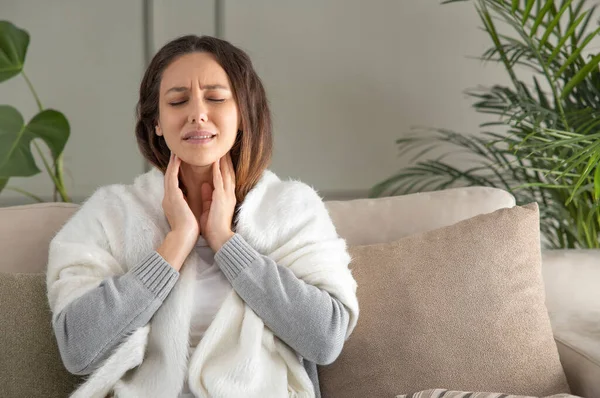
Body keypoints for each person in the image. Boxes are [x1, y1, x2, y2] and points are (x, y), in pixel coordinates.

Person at [46, 35, 359, 398]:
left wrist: (226, 244)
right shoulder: (110, 212)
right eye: (178, 101)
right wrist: (175, 245)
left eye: (216, 98)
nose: (197, 113)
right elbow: (77, 349)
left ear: (242, 114)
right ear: (157, 123)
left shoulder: (291, 207)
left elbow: (325, 338)